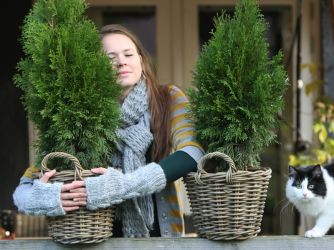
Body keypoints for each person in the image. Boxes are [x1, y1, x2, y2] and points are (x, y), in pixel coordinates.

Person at [13, 24, 204, 238]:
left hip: (161, 239)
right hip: (96, 240)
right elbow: (23, 190)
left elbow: (193, 153)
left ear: (141, 60)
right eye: (110, 57)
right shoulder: (82, 116)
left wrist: (122, 185)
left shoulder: (168, 98)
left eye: (129, 54)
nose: (121, 61)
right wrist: (49, 198)